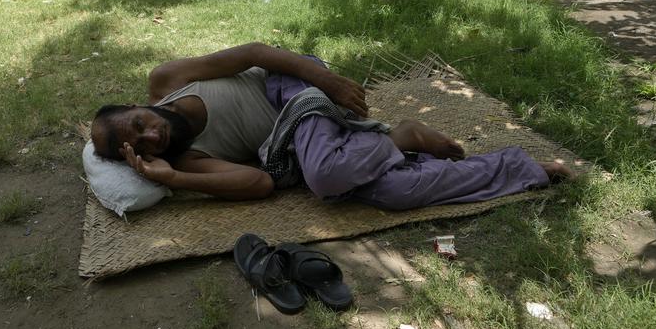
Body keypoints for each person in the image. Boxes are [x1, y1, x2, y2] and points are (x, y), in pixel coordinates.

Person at [89, 43, 573, 210]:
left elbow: (256, 54)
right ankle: (517, 167)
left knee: (325, 177)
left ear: (138, 104)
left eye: (140, 123)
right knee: (390, 194)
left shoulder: (166, 80)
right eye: (140, 145)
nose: (152, 134)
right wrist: (173, 179)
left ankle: (398, 139)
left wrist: (324, 79)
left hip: (292, 86)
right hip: (303, 141)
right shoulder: (186, 160)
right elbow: (259, 182)